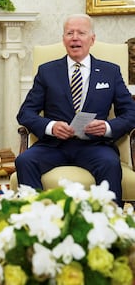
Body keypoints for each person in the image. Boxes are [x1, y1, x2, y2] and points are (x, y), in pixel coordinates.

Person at [15, 13, 135, 207]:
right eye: (69, 33)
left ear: (92, 39)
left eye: (81, 33)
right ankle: (35, 221)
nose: (75, 37)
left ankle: (110, 227)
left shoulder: (110, 72)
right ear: (63, 39)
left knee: (110, 164)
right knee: (25, 160)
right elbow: (25, 113)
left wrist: (106, 127)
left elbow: (131, 114)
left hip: (95, 146)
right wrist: (51, 126)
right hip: (54, 146)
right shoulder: (47, 71)